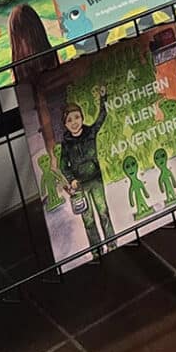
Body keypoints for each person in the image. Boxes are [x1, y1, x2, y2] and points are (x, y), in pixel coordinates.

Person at [56, 90, 115, 257]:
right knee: (88, 219)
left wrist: (104, 98)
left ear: (81, 117)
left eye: (76, 117)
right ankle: (96, 250)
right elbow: (63, 165)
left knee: (103, 212)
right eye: (69, 120)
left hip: (95, 179)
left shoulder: (90, 132)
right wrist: (71, 179)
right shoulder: (66, 144)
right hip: (80, 186)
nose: (74, 122)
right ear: (65, 124)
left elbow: (102, 116)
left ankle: (112, 244)